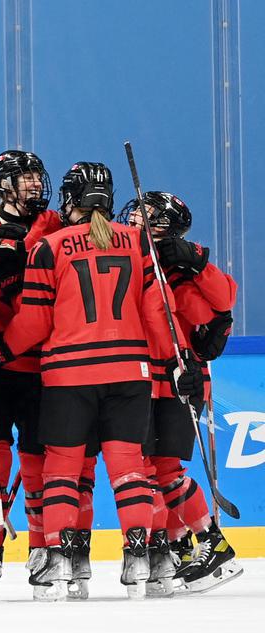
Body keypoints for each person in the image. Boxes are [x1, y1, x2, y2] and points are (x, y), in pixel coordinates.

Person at [0, 162, 199, 601]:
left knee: (63, 470)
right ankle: (141, 559)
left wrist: (1, 350)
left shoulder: (49, 246)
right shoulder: (137, 242)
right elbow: (157, 312)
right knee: (129, 469)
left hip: (69, 375)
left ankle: (65, 563)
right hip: (131, 373)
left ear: (70, 199)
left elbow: (34, 319)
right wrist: (178, 362)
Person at [121, 191, 243, 594]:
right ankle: (179, 544)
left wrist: (194, 257)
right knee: (150, 470)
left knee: (164, 470)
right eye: (136, 211)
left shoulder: (183, 268)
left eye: (147, 215)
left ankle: (212, 543)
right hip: (149, 378)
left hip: (176, 379)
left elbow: (221, 305)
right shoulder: (136, 261)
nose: (136, 218)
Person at [0, 150, 63, 597]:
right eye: (24, 177)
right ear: (3, 184)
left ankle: (43, 546)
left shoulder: (58, 225)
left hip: (43, 362)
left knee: (39, 458)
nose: (34, 184)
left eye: (35, 176)